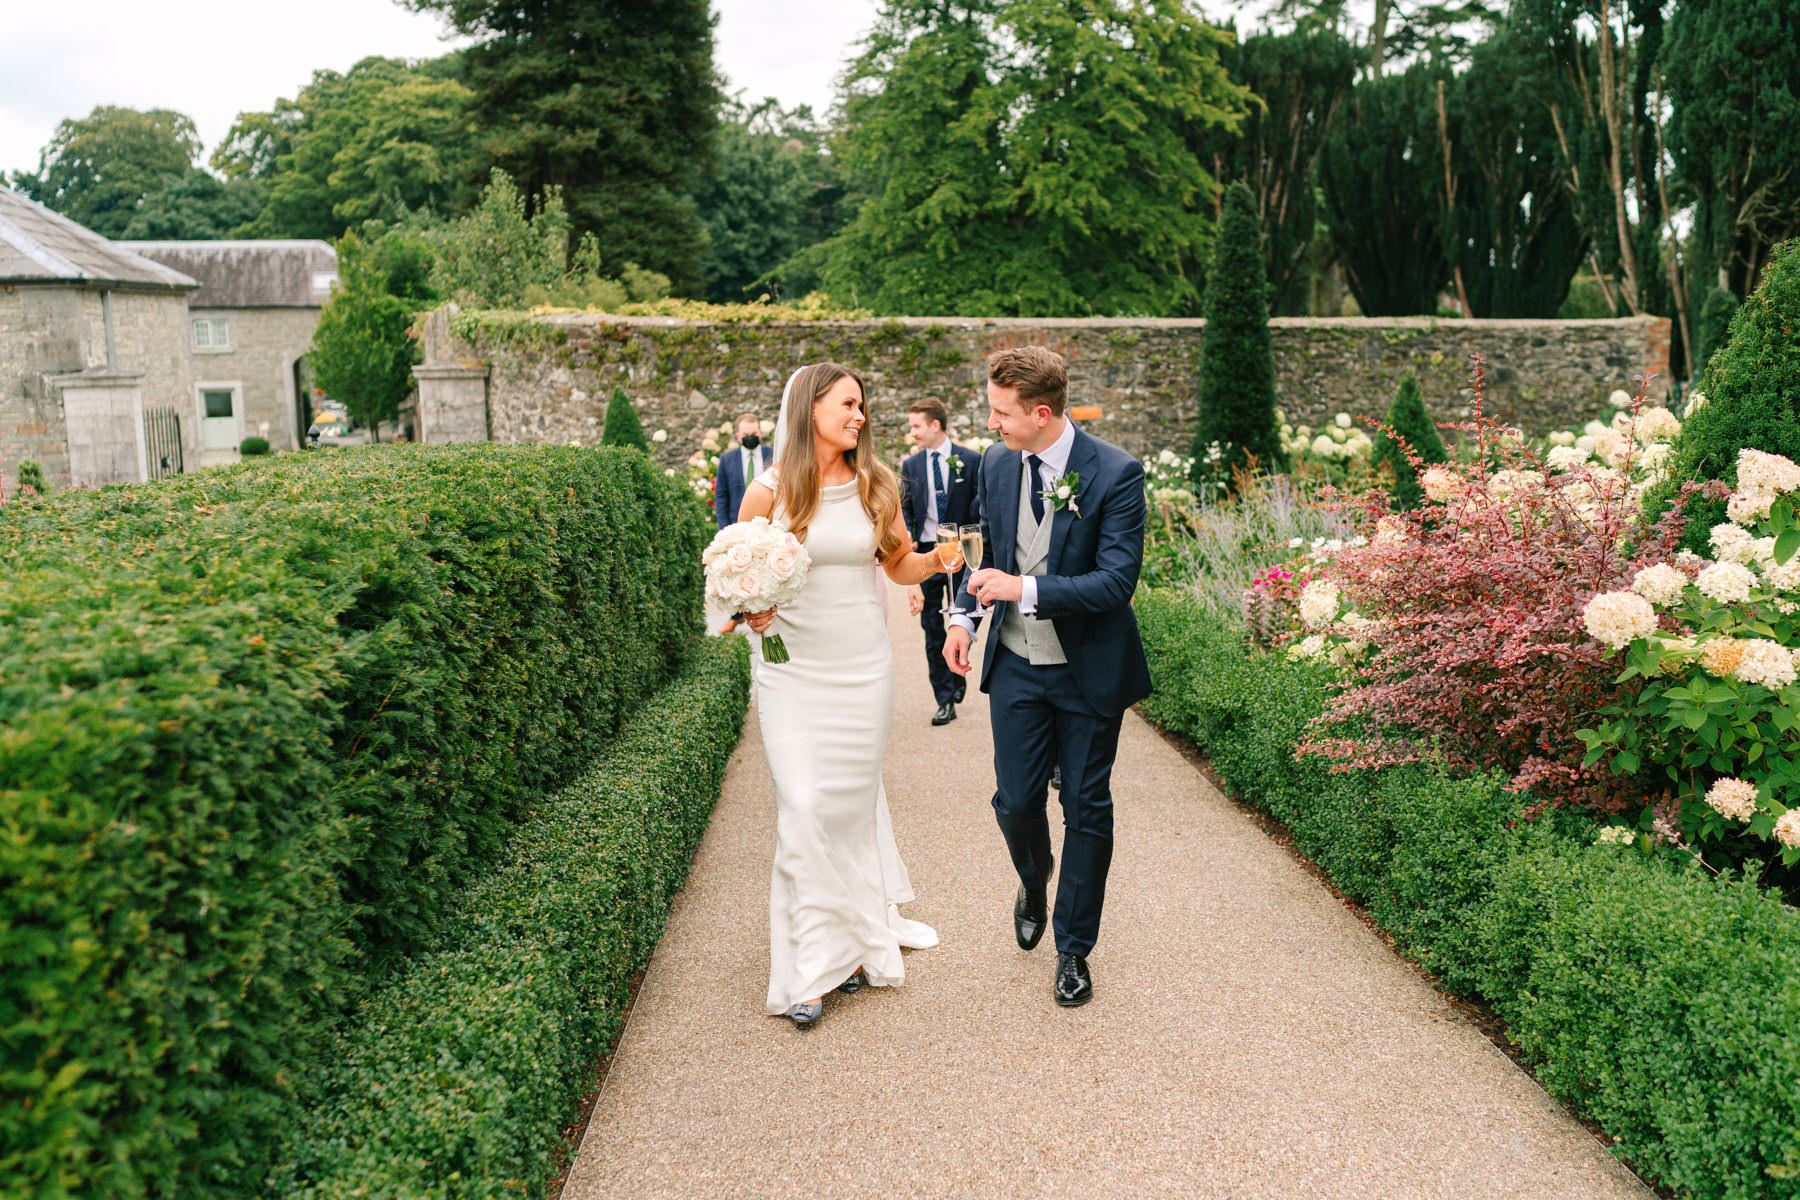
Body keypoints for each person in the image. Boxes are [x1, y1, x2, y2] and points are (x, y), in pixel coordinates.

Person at [739, 362, 954, 1027]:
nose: (860, 416)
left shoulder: (877, 484)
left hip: (864, 673)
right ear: (810, 410)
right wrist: (751, 612)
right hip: (793, 675)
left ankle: (855, 947)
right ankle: (804, 970)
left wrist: (942, 559)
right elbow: (736, 589)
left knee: (850, 816)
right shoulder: (768, 493)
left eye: (863, 405)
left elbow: (898, 566)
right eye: (848, 404)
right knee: (803, 807)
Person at [944, 346, 1153, 1009]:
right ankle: (1034, 879)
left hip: (1088, 670)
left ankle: (1073, 949)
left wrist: (1025, 588)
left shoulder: (1116, 473)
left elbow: (1116, 582)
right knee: (1014, 800)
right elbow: (990, 560)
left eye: (1002, 413)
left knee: (1087, 807)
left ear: (1040, 413)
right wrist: (963, 620)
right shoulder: (1001, 464)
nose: (993, 425)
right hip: (1016, 667)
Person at [899, 398, 983, 726]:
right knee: (932, 628)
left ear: (935, 425)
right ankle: (944, 698)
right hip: (929, 557)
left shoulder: (971, 460)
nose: (913, 433)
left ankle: (957, 669)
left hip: (964, 555)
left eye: (917, 426)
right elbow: (906, 506)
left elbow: (980, 505)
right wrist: (909, 532)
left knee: (962, 618)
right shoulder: (912, 466)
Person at [714, 412, 772, 531]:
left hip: (768, 524)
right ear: (738, 436)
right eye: (746, 434)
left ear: (760, 434)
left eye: (754, 434)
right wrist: (725, 529)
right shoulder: (726, 459)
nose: (750, 437)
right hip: (736, 525)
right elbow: (721, 496)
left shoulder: (772, 455)